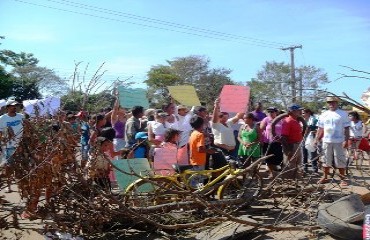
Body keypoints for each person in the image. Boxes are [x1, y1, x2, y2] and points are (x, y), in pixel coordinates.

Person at [315, 96, 350, 186]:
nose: (331, 104)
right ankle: (325, 177)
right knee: (325, 160)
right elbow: (320, 128)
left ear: (337, 103)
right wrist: (316, 139)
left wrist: (346, 140)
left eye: (333, 102)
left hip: (339, 141)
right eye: (329, 102)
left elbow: (347, 128)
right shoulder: (323, 114)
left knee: (340, 160)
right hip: (326, 141)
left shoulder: (343, 114)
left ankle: (342, 178)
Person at [211, 98, 244, 169]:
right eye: (222, 114)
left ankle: (231, 180)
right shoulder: (215, 124)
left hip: (231, 150)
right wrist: (216, 106)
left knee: (232, 168)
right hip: (222, 150)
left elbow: (238, 116)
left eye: (226, 114)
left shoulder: (228, 123)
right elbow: (214, 118)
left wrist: (243, 105)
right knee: (221, 168)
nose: (225, 115)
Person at [0, 100, 25, 193]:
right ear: (7, 107)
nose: (14, 107)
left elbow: (27, 128)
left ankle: (22, 184)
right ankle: (8, 185)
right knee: (9, 167)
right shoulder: (2, 118)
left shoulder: (21, 117)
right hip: (8, 146)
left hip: (22, 144)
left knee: (22, 165)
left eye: (16, 106)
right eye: (12, 106)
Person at [189, 115, 216, 187]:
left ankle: (193, 194)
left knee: (194, 179)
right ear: (202, 124)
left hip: (193, 159)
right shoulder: (200, 135)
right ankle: (197, 195)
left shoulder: (193, 133)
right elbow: (200, 149)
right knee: (198, 181)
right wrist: (209, 151)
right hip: (199, 161)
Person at [280, 104, 304, 179]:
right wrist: (288, 150)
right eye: (298, 110)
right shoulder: (288, 121)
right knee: (289, 165)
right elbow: (283, 137)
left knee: (297, 164)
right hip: (291, 145)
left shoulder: (295, 120)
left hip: (297, 144)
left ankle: (295, 182)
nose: (301, 111)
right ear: (292, 111)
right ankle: (287, 182)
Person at [260, 107, 283, 179]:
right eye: (269, 111)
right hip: (268, 141)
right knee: (269, 159)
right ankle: (271, 173)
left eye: (272, 111)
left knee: (278, 158)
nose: (270, 113)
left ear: (276, 112)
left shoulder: (280, 120)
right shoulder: (266, 119)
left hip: (278, 142)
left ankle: (277, 172)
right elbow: (261, 129)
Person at [302, 108, 319, 173]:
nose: (302, 114)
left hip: (311, 138)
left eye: (304, 113)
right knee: (304, 153)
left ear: (308, 113)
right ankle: (305, 167)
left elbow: (317, 128)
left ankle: (314, 167)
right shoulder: (301, 120)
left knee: (312, 153)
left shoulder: (314, 120)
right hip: (303, 138)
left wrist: (313, 131)